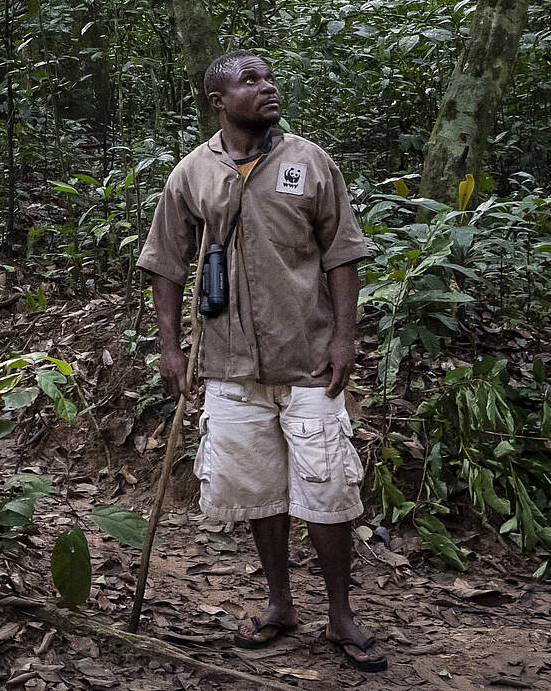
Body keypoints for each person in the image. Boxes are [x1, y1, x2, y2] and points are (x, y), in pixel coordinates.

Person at [136, 50, 386, 673]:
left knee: (328, 489)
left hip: (308, 362)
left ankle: (340, 613)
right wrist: (172, 349)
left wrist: (344, 339)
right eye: (249, 81)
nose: (267, 87)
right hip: (227, 366)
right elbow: (165, 264)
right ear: (218, 101)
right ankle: (279, 605)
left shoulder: (308, 161)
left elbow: (342, 254)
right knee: (258, 492)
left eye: (269, 77)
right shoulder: (193, 173)